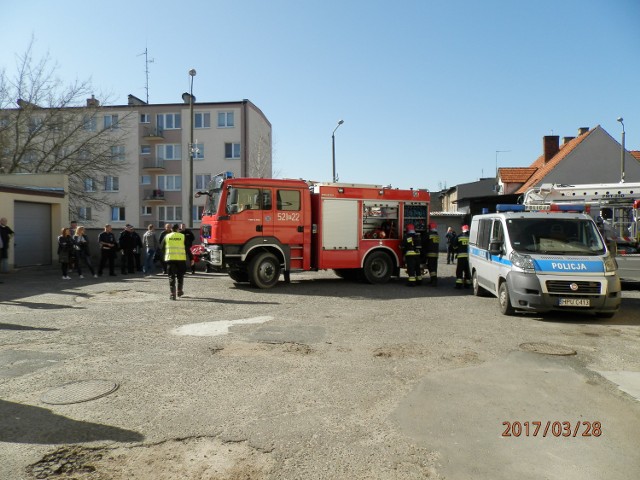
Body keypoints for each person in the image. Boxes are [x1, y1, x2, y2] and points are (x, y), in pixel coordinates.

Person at [161, 224, 186, 300]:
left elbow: (162, 247)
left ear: (172, 229)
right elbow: (187, 247)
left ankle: (172, 294)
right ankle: (179, 291)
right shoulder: (182, 236)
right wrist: (191, 258)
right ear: (178, 229)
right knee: (180, 275)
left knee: (171, 276)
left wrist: (164, 256)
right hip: (181, 259)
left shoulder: (167, 236)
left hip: (170, 259)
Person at [422, 222, 440, 286]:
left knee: (431, 267)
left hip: (430, 253)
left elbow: (423, 243)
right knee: (434, 268)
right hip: (436, 254)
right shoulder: (436, 235)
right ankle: (433, 280)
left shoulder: (428, 234)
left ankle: (434, 281)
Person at [454, 224, 471, 289]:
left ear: (462, 229)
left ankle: (459, 285)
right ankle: (467, 284)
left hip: (461, 257)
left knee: (459, 270)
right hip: (469, 258)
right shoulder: (471, 237)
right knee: (467, 270)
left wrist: (457, 251)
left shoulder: (459, 236)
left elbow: (454, 246)